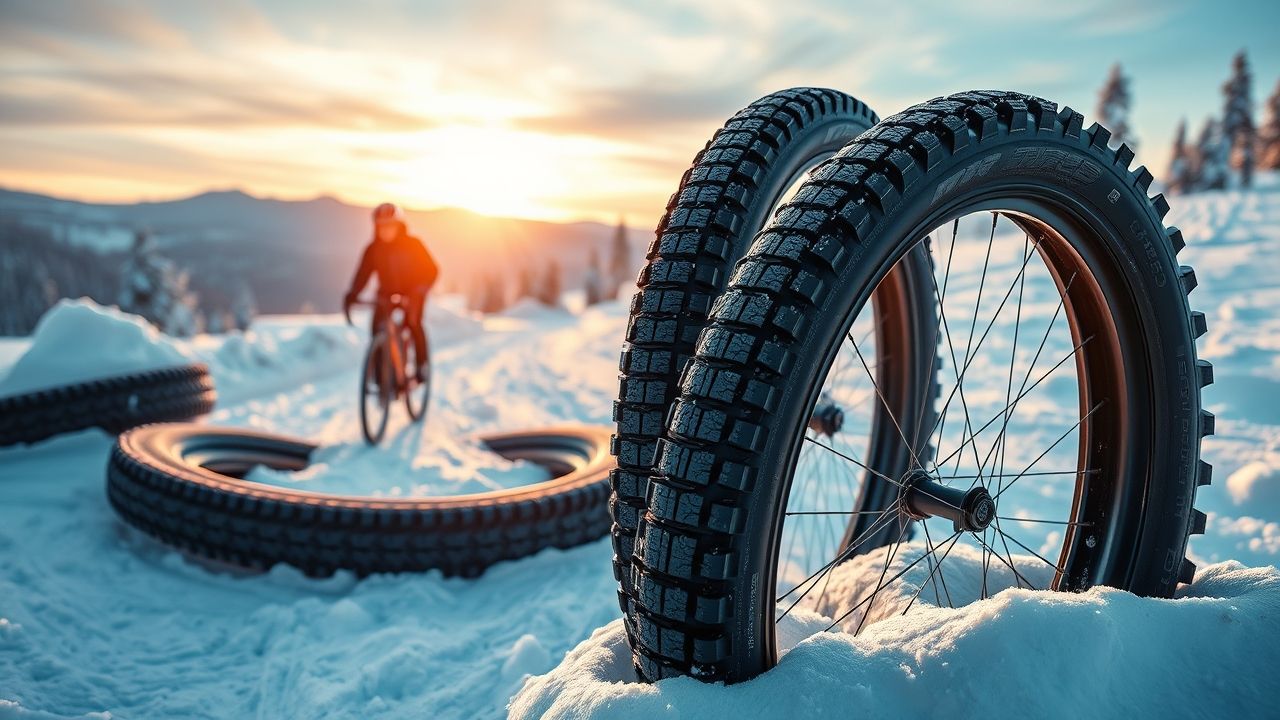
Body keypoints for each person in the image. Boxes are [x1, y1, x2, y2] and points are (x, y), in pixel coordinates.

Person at [343, 203, 439, 381]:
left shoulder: (414, 245)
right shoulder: (373, 249)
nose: (385, 230)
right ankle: (381, 378)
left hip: (413, 293)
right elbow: (362, 275)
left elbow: (432, 270)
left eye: (390, 226)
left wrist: (419, 290)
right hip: (385, 294)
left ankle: (421, 365)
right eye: (381, 226)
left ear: (398, 225)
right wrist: (353, 294)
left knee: (413, 322)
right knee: (377, 329)